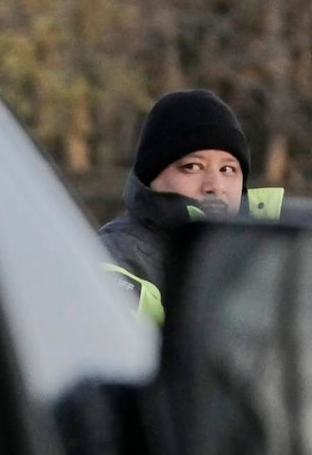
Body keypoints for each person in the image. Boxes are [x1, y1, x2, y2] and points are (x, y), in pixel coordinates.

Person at [99, 89, 283, 321]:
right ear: (151, 176)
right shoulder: (119, 262)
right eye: (193, 167)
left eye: (228, 169)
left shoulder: (272, 258)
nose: (215, 186)